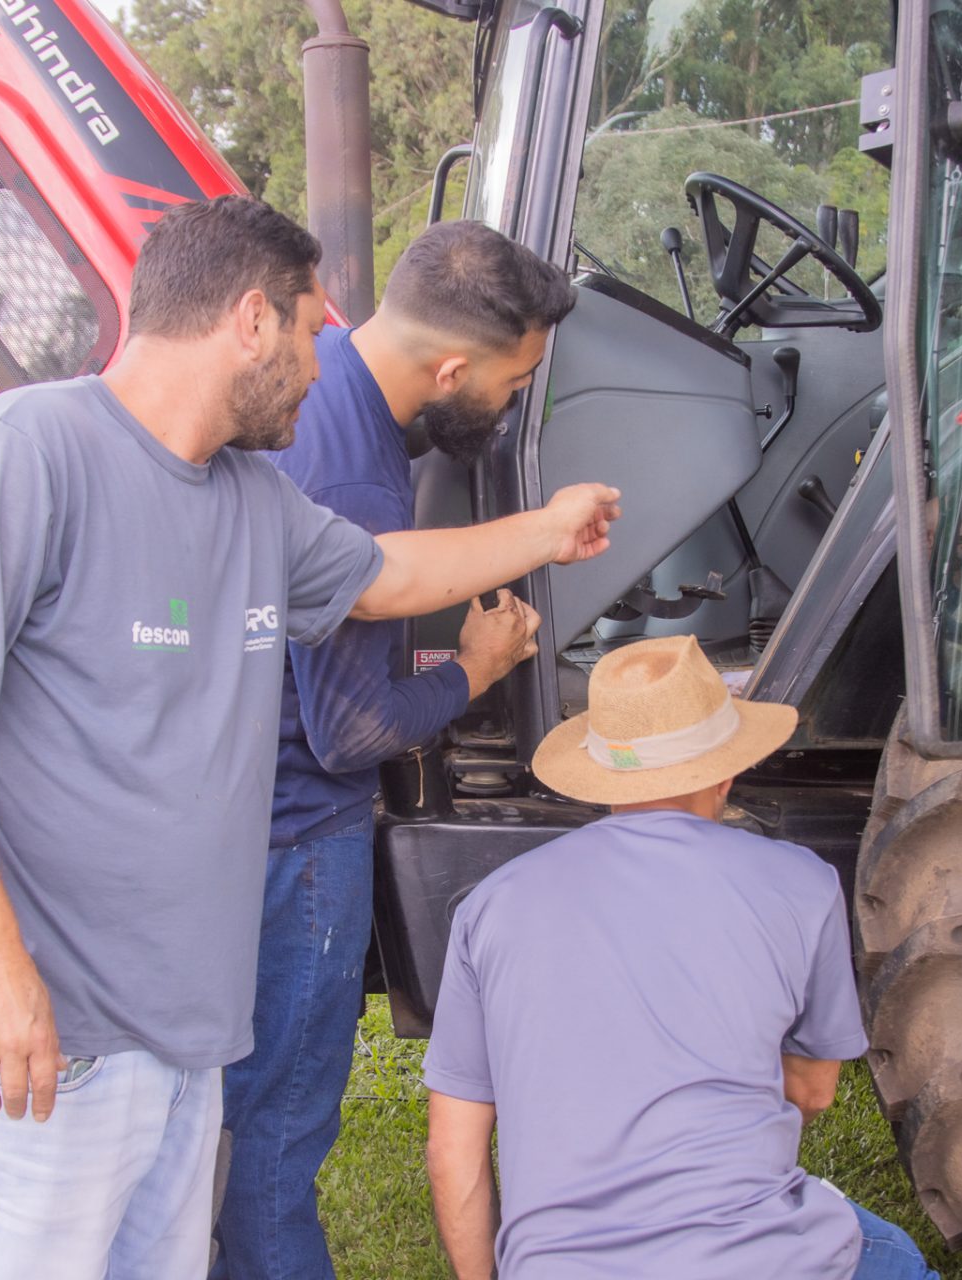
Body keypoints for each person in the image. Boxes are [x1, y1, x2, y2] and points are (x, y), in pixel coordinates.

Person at [0, 195, 620, 1280]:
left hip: (183, 1039)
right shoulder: (29, 450)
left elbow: (390, 575)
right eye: (312, 333)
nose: (324, 367)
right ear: (252, 321)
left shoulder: (254, 494)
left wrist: (548, 529)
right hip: (45, 1039)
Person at [214, 220, 577, 1280]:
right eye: (515, 384)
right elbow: (351, 730)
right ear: (453, 368)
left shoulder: (318, 395)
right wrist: (478, 669)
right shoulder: (363, 477)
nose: (511, 406)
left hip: (247, 822)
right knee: (277, 1140)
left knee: (233, 1123)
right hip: (299, 842)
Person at [423, 635, 939, 1280]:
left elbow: (452, 1146)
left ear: (601, 774)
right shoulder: (801, 883)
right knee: (893, 1255)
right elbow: (811, 1089)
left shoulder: (493, 903)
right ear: (727, 767)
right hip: (755, 1259)